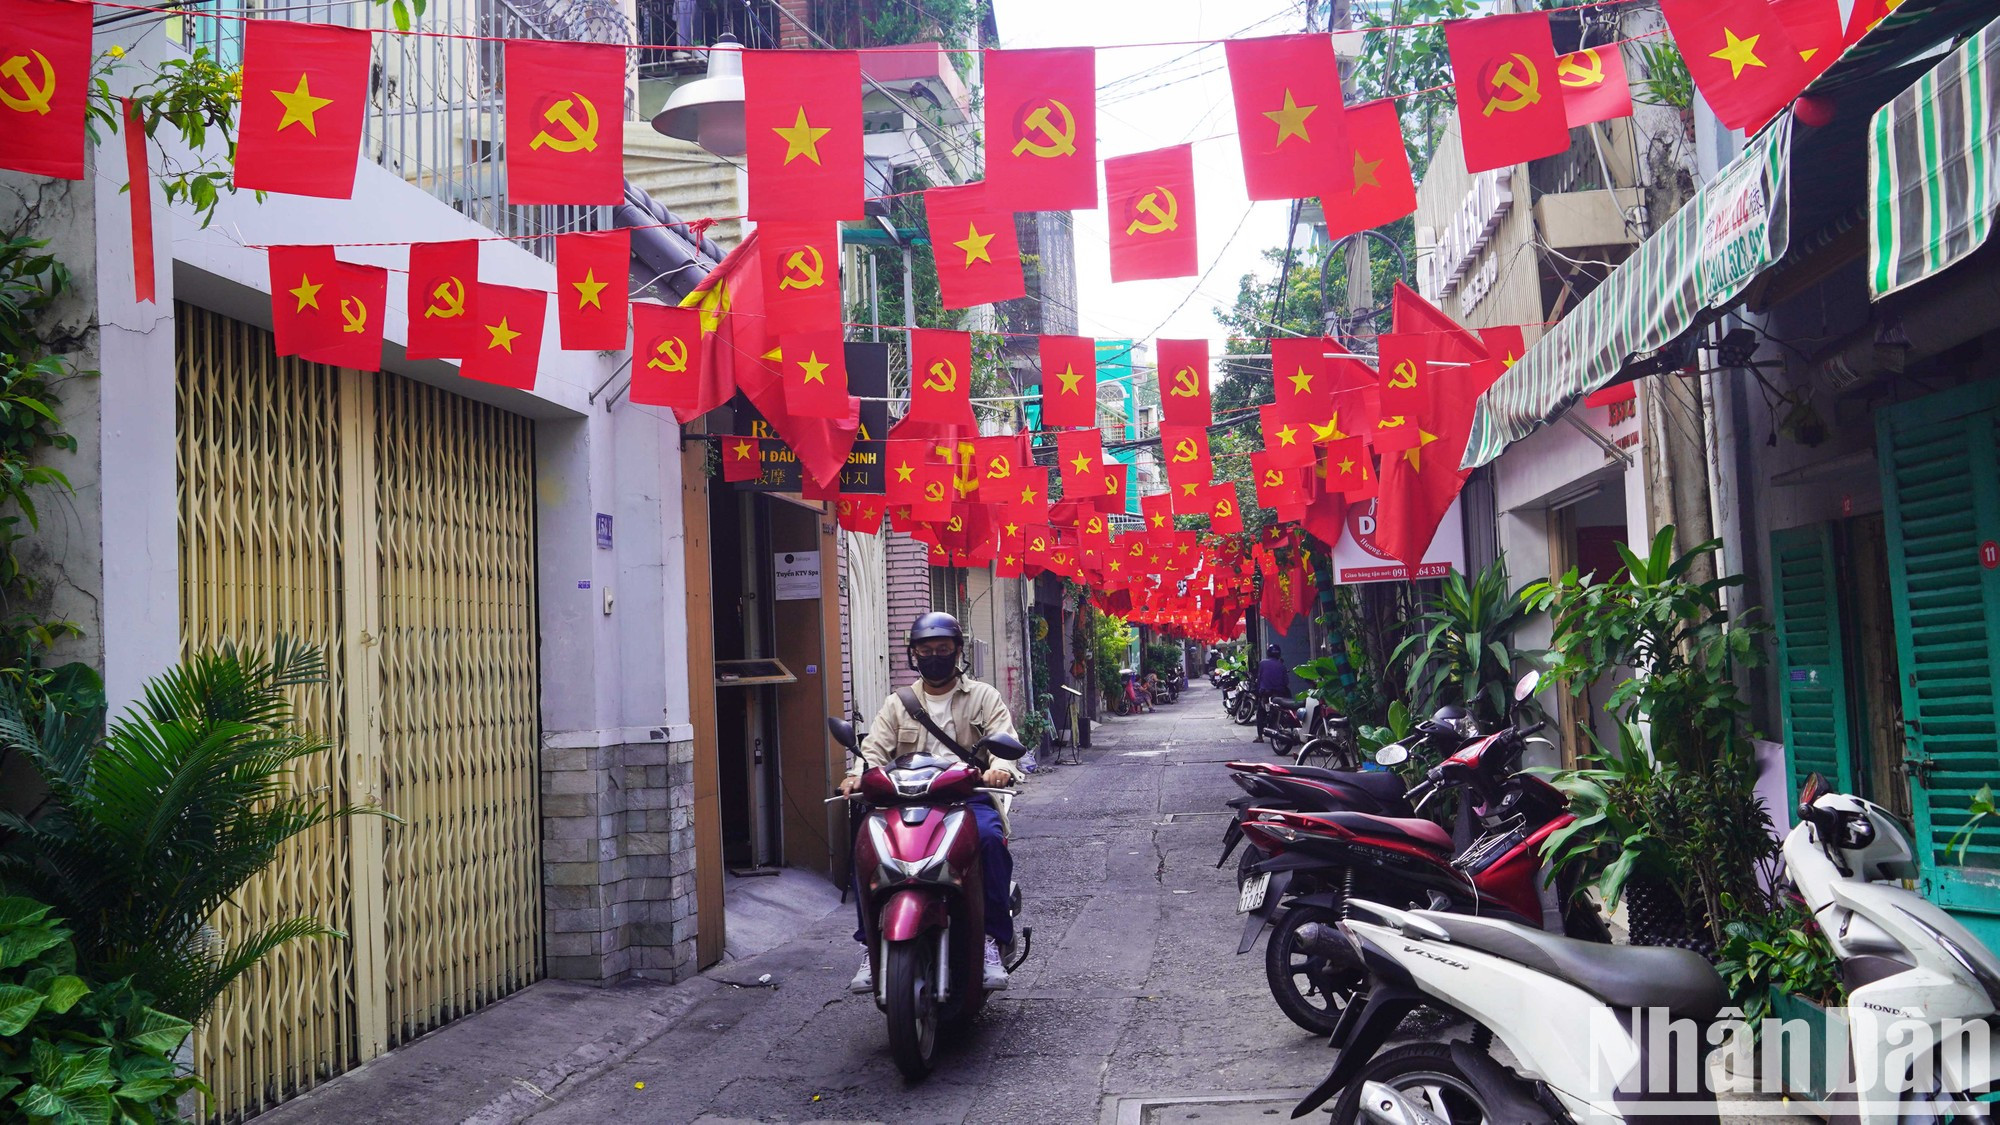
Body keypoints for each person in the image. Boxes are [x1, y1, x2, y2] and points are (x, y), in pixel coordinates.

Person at [840, 611, 1019, 994]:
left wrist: (1000, 769)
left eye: (943, 648)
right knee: (865, 845)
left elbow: (1004, 738)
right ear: (913, 655)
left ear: (958, 652)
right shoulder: (897, 703)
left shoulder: (983, 696)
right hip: (905, 800)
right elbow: (873, 750)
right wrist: (857, 774)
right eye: (926, 650)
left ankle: (991, 941)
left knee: (988, 840)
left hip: (967, 799)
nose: (934, 656)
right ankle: (868, 945)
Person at [1253, 643, 1289, 742]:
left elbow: (1259, 679)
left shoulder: (1262, 663)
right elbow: (1286, 682)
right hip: (1278, 693)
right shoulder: (1281, 666)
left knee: (1260, 713)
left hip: (1265, 693)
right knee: (1285, 708)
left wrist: (1258, 691)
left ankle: (1260, 737)